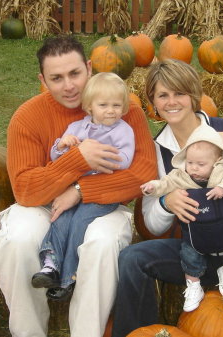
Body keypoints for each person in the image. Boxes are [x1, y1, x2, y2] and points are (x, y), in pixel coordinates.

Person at [0, 35, 157, 337]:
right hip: (43, 204)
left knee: (103, 243)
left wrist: (80, 191)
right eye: (56, 78)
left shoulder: (120, 107)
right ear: (43, 79)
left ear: (89, 68)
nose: (68, 85)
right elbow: (26, 189)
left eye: (74, 74)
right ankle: (28, 333)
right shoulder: (27, 118)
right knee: (16, 240)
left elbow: (142, 174)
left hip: (103, 202)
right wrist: (78, 159)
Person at [112, 59, 223, 337]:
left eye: (179, 93)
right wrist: (168, 203)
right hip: (197, 252)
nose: (172, 102)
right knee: (133, 258)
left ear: (193, 96)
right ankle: (138, 332)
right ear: (152, 102)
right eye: (162, 95)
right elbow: (152, 225)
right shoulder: (157, 150)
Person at [31, 72, 136, 300]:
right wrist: (64, 146)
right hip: (71, 192)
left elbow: (126, 159)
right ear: (89, 107)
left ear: (124, 107)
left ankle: (69, 278)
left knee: (80, 222)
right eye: (104, 105)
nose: (111, 110)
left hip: (103, 194)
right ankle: (50, 264)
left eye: (117, 105)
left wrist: (96, 154)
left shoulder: (123, 131)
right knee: (61, 216)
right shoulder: (76, 128)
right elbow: (56, 156)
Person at [140, 123, 223, 311]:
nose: (194, 169)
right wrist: (153, 187)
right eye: (190, 163)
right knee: (189, 255)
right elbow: (166, 183)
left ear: (217, 161)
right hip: (195, 232)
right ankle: (193, 285)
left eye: (200, 165)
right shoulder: (182, 175)